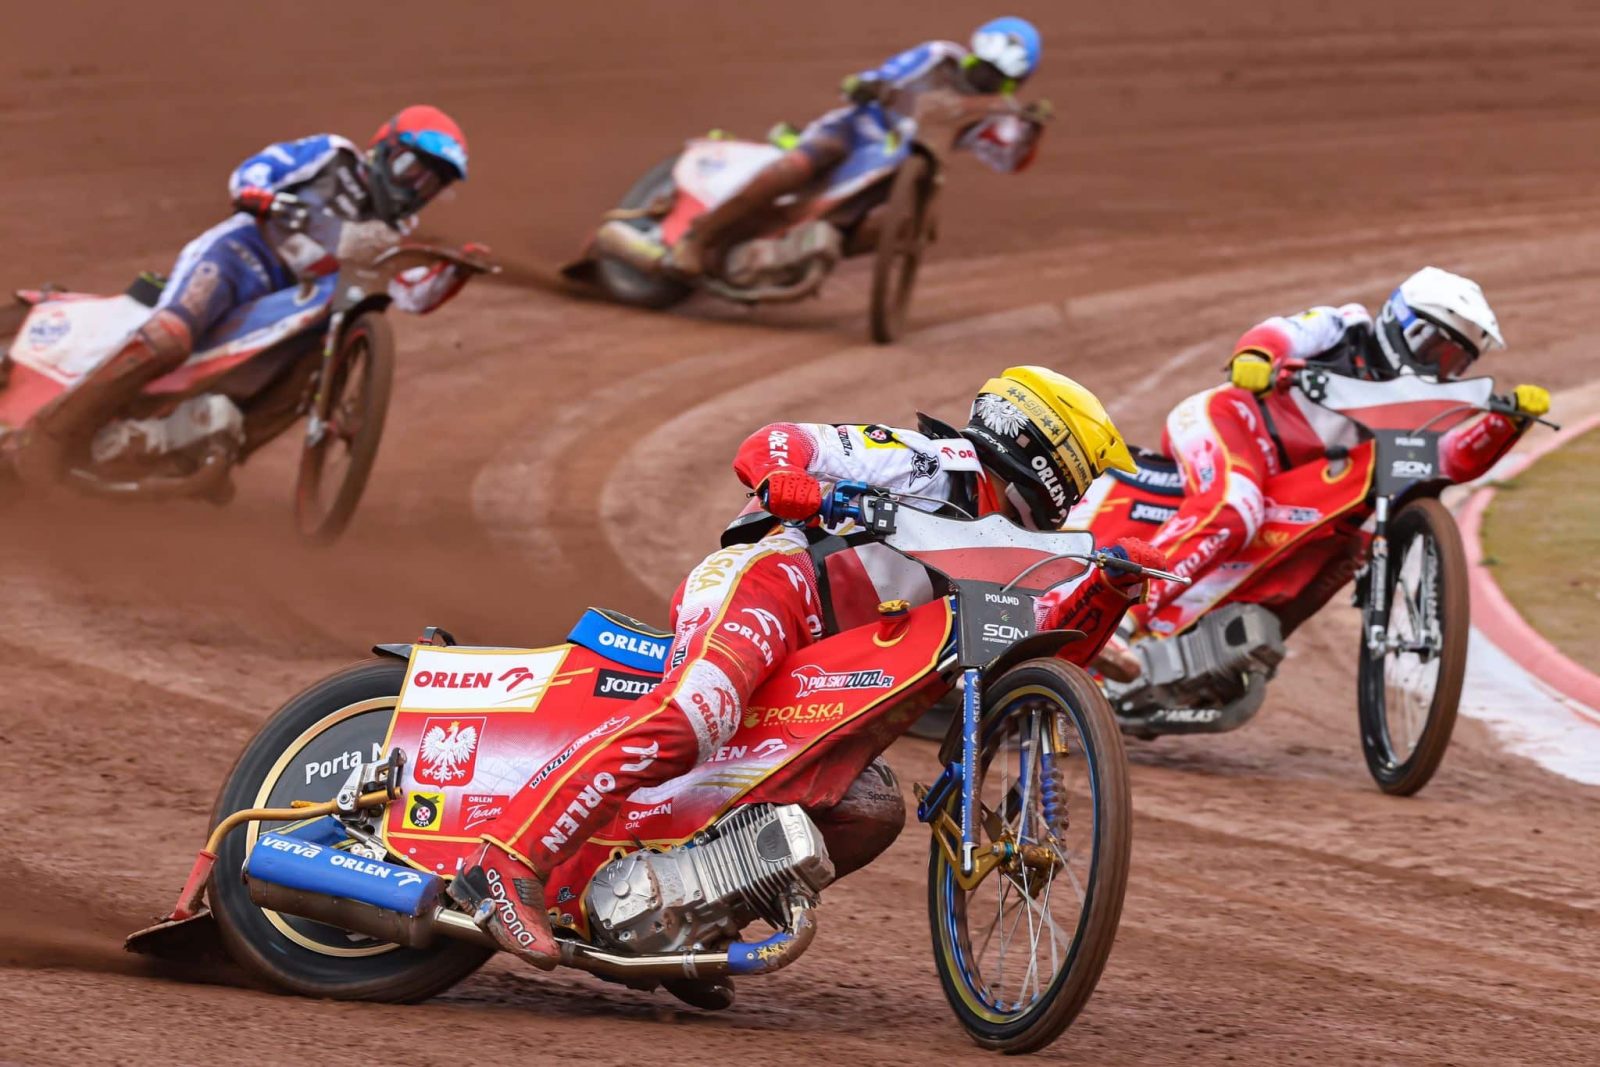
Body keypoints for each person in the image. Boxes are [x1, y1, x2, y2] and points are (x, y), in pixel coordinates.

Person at [448, 366, 1167, 968]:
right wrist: (790, 481)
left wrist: (1109, 590)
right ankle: (503, 862)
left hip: (834, 663)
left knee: (866, 809)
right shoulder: (933, 462)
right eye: (1084, 472)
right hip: (776, 585)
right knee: (699, 713)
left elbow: (1037, 672)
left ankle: (686, 926)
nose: (1083, 492)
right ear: (1044, 448)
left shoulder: (1015, 549)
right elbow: (774, 443)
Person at [14, 105, 477, 486]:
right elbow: (257, 170)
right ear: (385, 149)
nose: (416, 189)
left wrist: (456, 273)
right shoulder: (332, 156)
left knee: (313, 374)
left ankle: (201, 456)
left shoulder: (395, 234)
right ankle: (49, 434)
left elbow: (411, 295)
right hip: (239, 256)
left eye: (431, 184)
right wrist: (261, 195)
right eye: (411, 170)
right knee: (172, 337)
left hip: (289, 302)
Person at [1132, 266, 1552, 631]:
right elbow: (1283, 333)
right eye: (1435, 350)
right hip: (1229, 421)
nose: (1438, 370)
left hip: (1292, 484)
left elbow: (1449, 460)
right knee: (1235, 507)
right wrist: (1258, 355)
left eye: (1454, 363)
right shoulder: (1345, 326)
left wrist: (1506, 423)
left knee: (1349, 546)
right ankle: (1126, 614)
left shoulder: (1421, 413)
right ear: (1402, 322)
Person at [602, 16, 1047, 278]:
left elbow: (1007, 158)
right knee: (797, 168)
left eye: (997, 75)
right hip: (856, 130)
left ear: (1014, 80)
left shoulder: (997, 111)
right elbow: (888, 73)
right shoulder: (938, 57)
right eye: (984, 67)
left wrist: (1032, 132)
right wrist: (868, 85)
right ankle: (697, 239)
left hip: (893, 168)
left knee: (907, 226)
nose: (986, 78)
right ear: (973, 53)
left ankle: (786, 260)